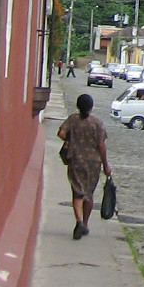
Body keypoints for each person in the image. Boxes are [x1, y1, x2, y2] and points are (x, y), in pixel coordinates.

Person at [58, 93, 108, 239]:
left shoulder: (72, 119)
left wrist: (70, 140)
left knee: (77, 192)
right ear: (91, 107)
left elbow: (61, 133)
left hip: (76, 160)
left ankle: (79, 221)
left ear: (77, 106)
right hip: (93, 163)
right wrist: (106, 164)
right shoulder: (97, 123)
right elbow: (101, 145)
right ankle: (85, 224)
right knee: (88, 194)